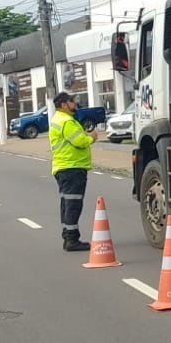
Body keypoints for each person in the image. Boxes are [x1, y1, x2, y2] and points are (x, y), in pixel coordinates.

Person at [49, 92, 98, 252]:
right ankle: (72, 240)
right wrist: (92, 137)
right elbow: (79, 141)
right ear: (64, 105)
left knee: (66, 203)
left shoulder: (58, 119)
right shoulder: (66, 121)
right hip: (72, 168)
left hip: (64, 168)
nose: (75, 104)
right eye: (72, 101)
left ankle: (68, 235)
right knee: (73, 204)